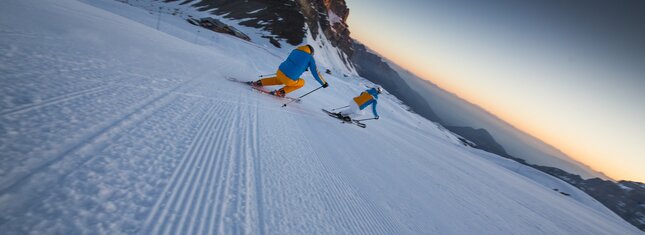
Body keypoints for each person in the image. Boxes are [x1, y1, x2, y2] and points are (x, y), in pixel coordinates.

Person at [249, 44, 329, 97]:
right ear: (311, 53)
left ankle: (260, 82)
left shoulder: (295, 51)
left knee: (279, 80)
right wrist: (323, 83)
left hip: (280, 71)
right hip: (289, 78)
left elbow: (294, 62)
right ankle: (281, 92)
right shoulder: (310, 58)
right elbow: (315, 73)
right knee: (301, 82)